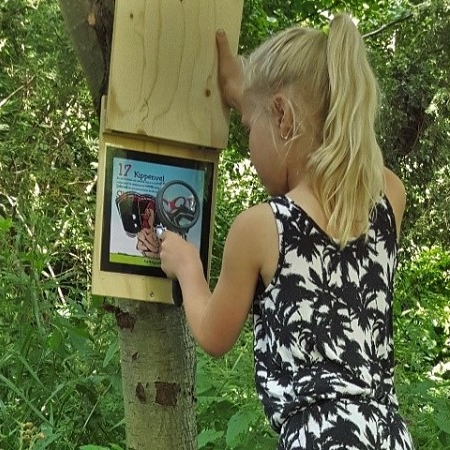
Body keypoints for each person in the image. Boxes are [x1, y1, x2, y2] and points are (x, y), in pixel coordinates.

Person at [158, 13, 414, 450]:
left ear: (281, 114)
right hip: (388, 434)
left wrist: (187, 268)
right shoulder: (389, 197)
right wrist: (247, 95)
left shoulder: (261, 228)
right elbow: (353, 154)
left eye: (248, 127)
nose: (249, 145)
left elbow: (214, 334)